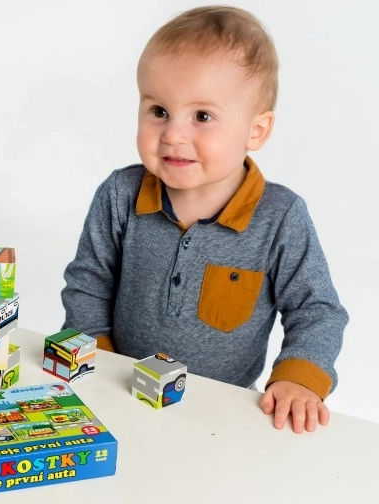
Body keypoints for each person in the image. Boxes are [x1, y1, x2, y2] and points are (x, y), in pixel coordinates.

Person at [60, 5, 348, 434]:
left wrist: (297, 378)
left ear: (257, 131)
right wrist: (96, 357)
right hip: (116, 389)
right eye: (158, 110)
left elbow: (317, 309)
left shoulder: (280, 216)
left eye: (202, 116)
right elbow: (88, 283)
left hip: (225, 410)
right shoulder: (121, 194)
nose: (173, 134)